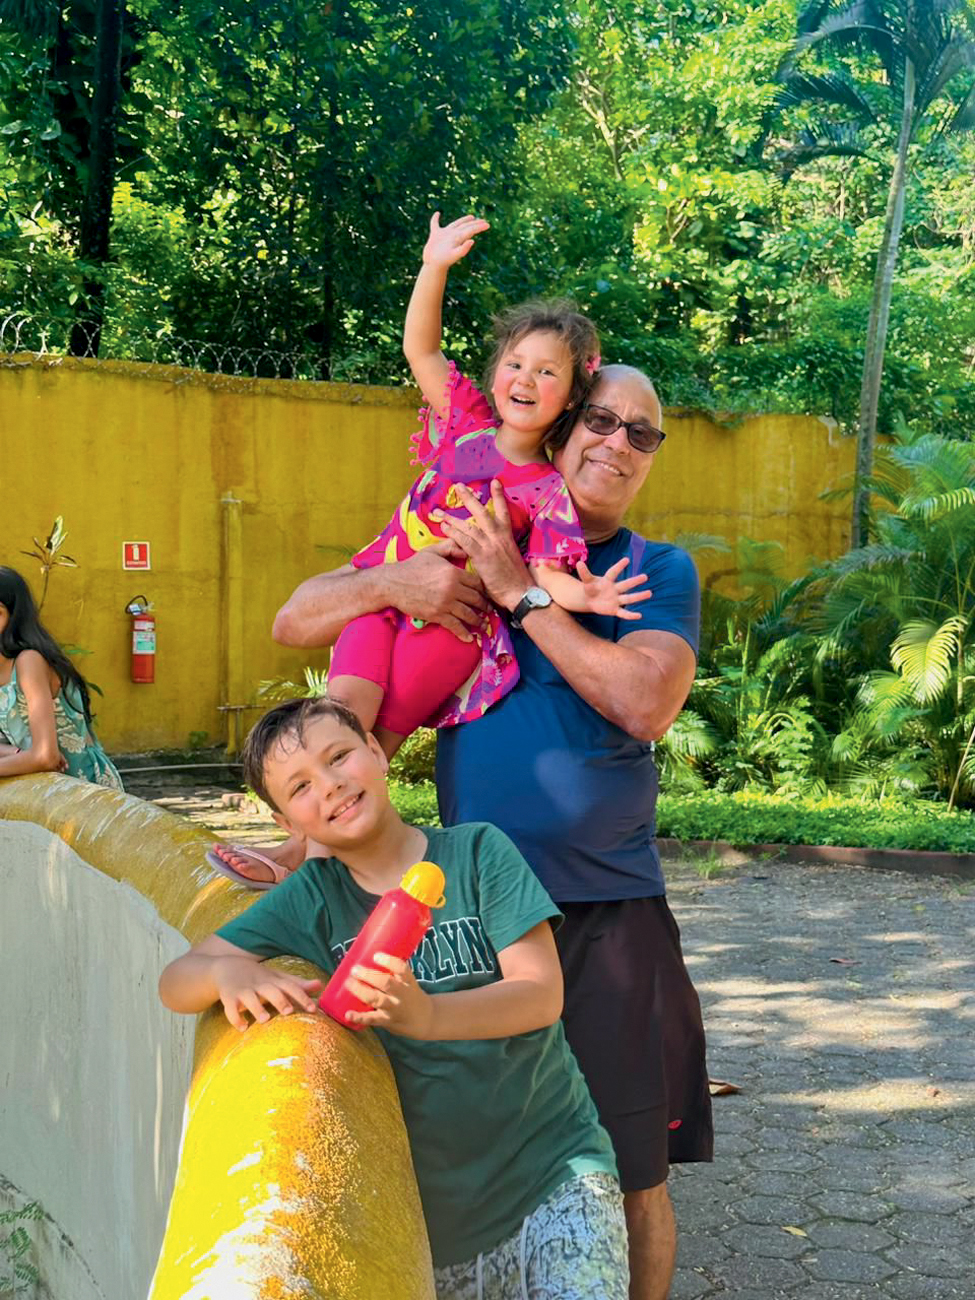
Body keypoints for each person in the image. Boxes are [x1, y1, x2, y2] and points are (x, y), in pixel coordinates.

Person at [272, 365, 712, 1300]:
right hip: (470, 916)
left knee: (633, 1173)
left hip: (606, 907)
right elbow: (297, 617)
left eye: (644, 433)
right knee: (474, 1158)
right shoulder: (466, 531)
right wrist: (401, 580)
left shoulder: (650, 570)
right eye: (601, 419)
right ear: (556, 427)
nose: (618, 443)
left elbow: (644, 702)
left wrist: (525, 597)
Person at [210, 214, 648, 886]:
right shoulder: (463, 423)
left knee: (375, 744)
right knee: (341, 714)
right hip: (384, 594)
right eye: (515, 362)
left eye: (547, 372)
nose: (525, 378)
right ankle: (303, 848)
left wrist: (585, 594)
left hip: (452, 627)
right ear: (496, 371)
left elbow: (545, 571)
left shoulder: (548, 490)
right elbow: (421, 349)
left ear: (569, 397)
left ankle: (310, 857)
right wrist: (433, 267)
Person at [160, 696, 630, 1299]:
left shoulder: (479, 853)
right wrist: (230, 979)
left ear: (377, 753)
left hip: (555, 1173)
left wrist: (428, 1016)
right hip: (436, 1224)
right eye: (300, 787)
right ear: (287, 825)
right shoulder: (314, 898)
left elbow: (541, 995)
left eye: (339, 757)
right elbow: (178, 978)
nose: (329, 786)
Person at [0, 566, 123, 789]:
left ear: (14, 618)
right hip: (41, 789)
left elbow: (45, 757)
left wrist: (31, 757)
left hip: (83, 789)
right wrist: (16, 753)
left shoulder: (29, 662)